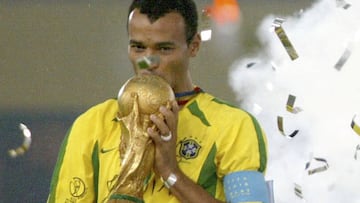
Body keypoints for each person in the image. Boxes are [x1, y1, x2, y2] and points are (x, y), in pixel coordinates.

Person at [47, 0, 269, 202]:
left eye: (164, 49)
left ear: (194, 46)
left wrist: (171, 173)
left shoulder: (234, 127)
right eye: (138, 47)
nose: (148, 62)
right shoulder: (91, 125)